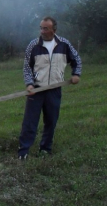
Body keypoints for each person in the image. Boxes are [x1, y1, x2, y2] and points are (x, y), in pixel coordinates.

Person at [18, 16, 82, 160]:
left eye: (45, 28)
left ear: (54, 30)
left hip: (54, 89)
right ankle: (23, 151)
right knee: (30, 122)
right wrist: (29, 84)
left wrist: (76, 74)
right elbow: (27, 68)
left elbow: (76, 60)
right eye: (41, 28)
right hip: (36, 90)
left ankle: (45, 149)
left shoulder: (64, 44)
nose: (42, 31)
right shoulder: (33, 45)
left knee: (51, 121)